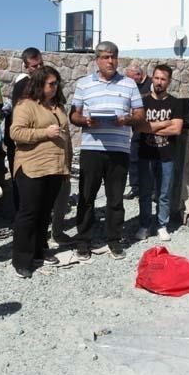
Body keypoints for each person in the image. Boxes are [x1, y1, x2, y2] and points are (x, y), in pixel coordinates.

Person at [70, 41, 145, 260]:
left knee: (115, 199)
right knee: (86, 197)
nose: (110, 61)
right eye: (105, 57)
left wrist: (126, 119)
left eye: (113, 57)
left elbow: (140, 114)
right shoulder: (84, 84)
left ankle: (114, 240)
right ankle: (83, 241)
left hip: (119, 150)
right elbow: (74, 115)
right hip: (92, 149)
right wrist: (86, 120)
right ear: (97, 60)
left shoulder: (129, 84)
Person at [9, 67, 71, 277]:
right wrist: (44, 133)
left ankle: (38, 252)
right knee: (29, 213)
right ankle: (21, 260)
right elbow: (15, 133)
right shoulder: (25, 105)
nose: (55, 87)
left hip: (54, 167)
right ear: (39, 84)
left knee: (45, 212)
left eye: (56, 84)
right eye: (51, 84)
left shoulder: (57, 106)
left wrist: (66, 166)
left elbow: (66, 137)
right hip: (32, 167)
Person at [133, 65, 182, 242]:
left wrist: (151, 127)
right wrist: (163, 124)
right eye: (156, 78)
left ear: (169, 81)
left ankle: (162, 225)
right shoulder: (142, 102)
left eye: (163, 79)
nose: (159, 82)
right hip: (145, 154)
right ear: (152, 78)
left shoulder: (175, 103)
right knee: (145, 193)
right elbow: (139, 127)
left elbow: (176, 129)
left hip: (167, 155)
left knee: (164, 193)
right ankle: (144, 225)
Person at [4, 47, 43, 211]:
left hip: (32, 139)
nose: (39, 68)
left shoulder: (38, 82)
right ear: (26, 67)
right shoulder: (24, 85)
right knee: (22, 182)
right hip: (21, 141)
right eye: (35, 66)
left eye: (41, 64)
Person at [123, 64, 152, 200]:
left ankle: (153, 190)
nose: (129, 81)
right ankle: (135, 187)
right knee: (133, 157)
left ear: (138, 75)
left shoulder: (152, 84)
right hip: (137, 128)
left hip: (151, 128)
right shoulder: (132, 87)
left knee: (152, 160)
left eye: (130, 78)